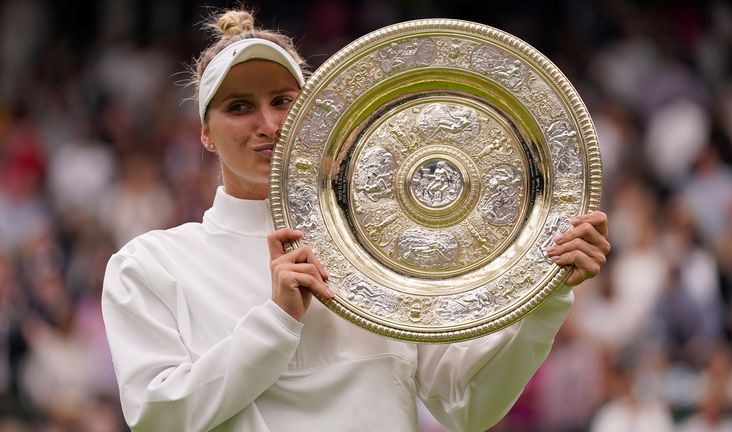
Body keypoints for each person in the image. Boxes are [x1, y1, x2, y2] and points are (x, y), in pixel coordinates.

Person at [102, 9, 611, 432]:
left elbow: (465, 407)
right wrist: (277, 321)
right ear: (206, 135)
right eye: (239, 107)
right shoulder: (151, 265)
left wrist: (544, 295)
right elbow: (157, 417)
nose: (269, 125)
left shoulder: (384, 250)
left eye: (283, 101)